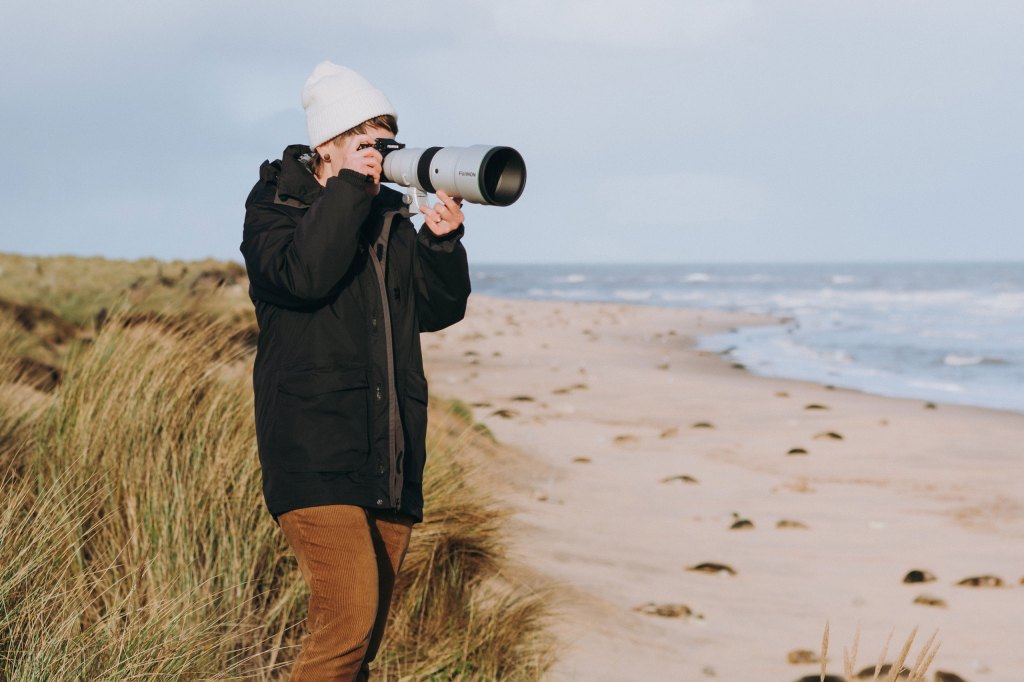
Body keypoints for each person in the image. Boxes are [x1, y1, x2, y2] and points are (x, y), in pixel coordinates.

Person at [239, 61, 471, 681]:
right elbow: (301, 276)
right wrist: (350, 191)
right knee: (346, 624)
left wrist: (442, 245)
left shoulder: (393, 217)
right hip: (313, 450)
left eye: (384, 142)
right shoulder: (276, 206)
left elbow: (437, 311)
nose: (377, 155)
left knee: (360, 644)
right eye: (363, 142)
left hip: (390, 454)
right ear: (326, 147)